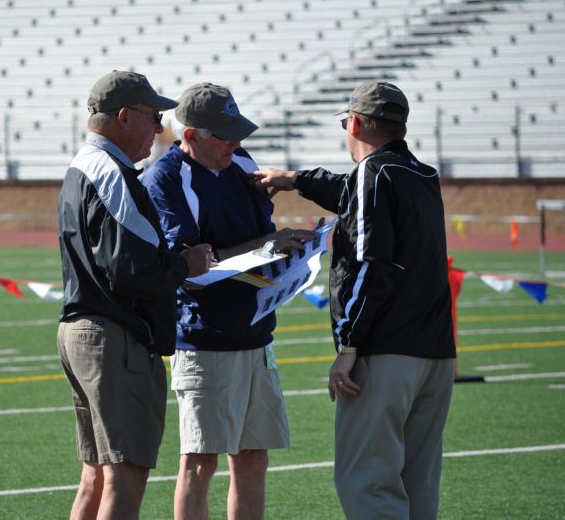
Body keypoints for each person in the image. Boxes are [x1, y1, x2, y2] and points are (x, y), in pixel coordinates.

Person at [252, 82, 456, 519]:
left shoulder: (373, 175)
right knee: (417, 487)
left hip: (386, 353)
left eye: (346, 123)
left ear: (357, 123)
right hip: (436, 354)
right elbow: (351, 191)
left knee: (368, 484)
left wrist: (348, 347)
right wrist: (294, 179)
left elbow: (370, 267)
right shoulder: (421, 175)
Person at [142, 82, 316, 520]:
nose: (235, 142)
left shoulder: (240, 161)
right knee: (199, 463)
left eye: (236, 132)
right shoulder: (164, 179)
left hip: (257, 334)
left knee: (254, 457)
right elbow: (193, 268)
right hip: (204, 338)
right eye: (223, 134)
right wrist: (271, 243)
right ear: (190, 135)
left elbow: (260, 237)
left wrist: (291, 250)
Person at [57, 70, 213, 520]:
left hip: (83, 330)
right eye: (153, 116)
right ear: (124, 117)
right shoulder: (112, 174)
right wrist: (187, 264)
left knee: (96, 475)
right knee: (125, 474)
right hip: (113, 337)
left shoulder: (83, 165)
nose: (160, 127)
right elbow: (132, 269)